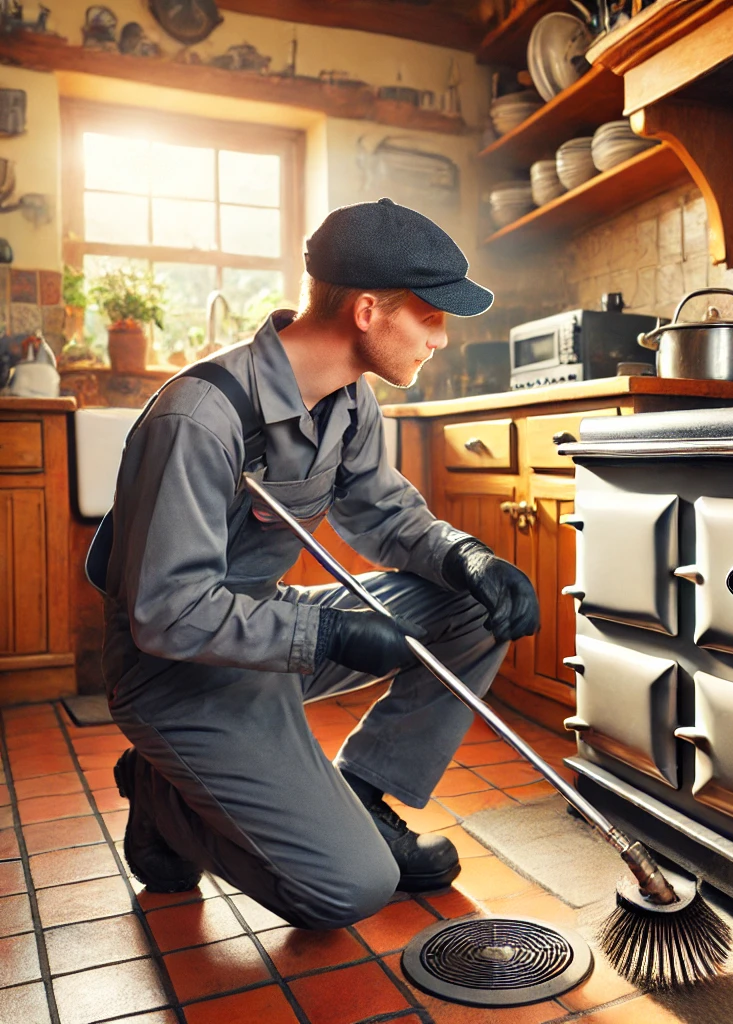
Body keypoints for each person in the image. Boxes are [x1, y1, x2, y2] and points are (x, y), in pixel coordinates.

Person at [102, 199, 540, 929]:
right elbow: (166, 612)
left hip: (267, 631)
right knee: (350, 891)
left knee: (469, 606)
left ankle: (365, 791)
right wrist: (330, 638)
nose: (441, 339)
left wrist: (468, 558)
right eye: (432, 317)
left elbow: (385, 515)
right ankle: (164, 801)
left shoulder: (348, 400)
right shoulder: (200, 416)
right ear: (368, 309)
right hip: (172, 669)